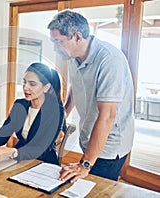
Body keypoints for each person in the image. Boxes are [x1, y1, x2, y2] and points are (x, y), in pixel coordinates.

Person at [47, 10, 135, 182]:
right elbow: (76, 84)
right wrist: (64, 112)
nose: (55, 48)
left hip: (110, 144)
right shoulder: (73, 57)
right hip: (89, 134)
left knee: (96, 190)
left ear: (77, 37)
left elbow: (108, 115)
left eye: (58, 42)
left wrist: (85, 164)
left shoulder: (109, 60)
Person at [0, 62, 64, 165]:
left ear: (46, 87)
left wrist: (14, 152)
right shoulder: (20, 105)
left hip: (43, 162)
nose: (25, 87)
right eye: (24, 82)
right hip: (20, 159)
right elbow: (1, 137)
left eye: (32, 84)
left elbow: (42, 148)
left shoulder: (55, 111)